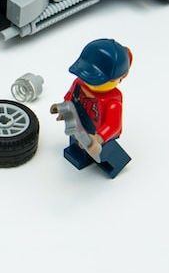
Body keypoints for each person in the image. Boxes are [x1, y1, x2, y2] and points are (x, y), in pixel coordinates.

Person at [51, 38, 133, 178]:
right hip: (78, 123)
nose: (87, 81)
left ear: (117, 79)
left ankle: (112, 164)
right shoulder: (79, 83)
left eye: (94, 79)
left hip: (98, 132)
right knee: (76, 140)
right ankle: (79, 154)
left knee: (103, 152)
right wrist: (63, 108)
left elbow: (113, 125)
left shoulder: (112, 101)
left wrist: (98, 138)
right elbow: (71, 96)